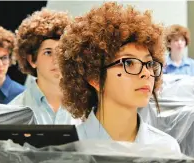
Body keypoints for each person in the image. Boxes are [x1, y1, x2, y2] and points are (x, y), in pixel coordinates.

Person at [58, 2, 180, 152]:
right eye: (129, 62)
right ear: (94, 77)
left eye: (149, 64)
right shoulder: (67, 150)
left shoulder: (166, 149)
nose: (146, 73)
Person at [10, 9, 80, 125]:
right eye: (48, 52)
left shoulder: (88, 109)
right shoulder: (14, 111)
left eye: (61, 52)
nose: (56, 60)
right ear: (32, 60)